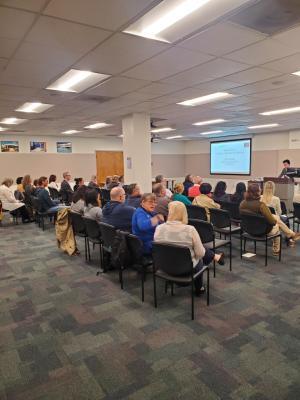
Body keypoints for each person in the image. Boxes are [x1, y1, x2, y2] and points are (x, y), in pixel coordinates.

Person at [154, 202, 224, 295]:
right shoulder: (190, 230)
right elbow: (200, 254)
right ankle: (199, 288)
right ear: (184, 212)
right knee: (200, 256)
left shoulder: (159, 228)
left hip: (164, 267)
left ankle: (215, 257)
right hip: (187, 270)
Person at [240, 184, 300, 254]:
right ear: (257, 192)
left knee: (276, 218)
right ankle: (277, 250)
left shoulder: (243, 203)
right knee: (277, 225)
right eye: (260, 190)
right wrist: (276, 220)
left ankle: (291, 234)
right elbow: (272, 222)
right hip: (262, 231)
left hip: (247, 228)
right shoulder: (261, 205)